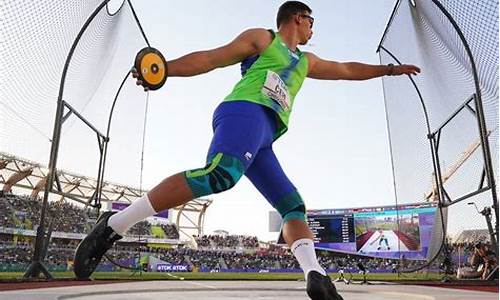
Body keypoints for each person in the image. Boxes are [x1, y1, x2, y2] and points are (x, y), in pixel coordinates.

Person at [74, 1, 420, 299]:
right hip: (244, 112)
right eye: (312, 22)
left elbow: (346, 70)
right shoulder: (263, 39)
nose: (314, 30)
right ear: (299, 17)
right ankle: (114, 225)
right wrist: (166, 69)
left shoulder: (306, 61)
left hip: (265, 136)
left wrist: (389, 70)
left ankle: (315, 275)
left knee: (292, 207)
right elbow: (213, 58)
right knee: (220, 175)